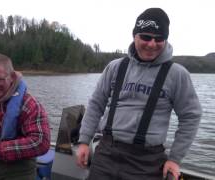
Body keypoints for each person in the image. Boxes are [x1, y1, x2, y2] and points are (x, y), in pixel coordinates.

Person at [76, 8, 202, 180]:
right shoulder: (115, 67)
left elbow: (191, 116)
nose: (152, 44)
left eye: (159, 39)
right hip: (106, 154)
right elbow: (96, 104)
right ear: (134, 35)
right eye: (146, 37)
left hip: (147, 163)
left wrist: (175, 159)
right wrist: (84, 141)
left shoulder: (177, 74)